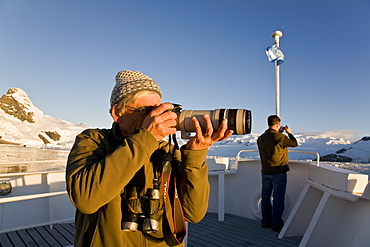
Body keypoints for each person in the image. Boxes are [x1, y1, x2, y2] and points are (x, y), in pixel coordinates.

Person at [66, 70, 233, 247]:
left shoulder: (167, 151)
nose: (155, 118)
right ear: (117, 113)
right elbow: (85, 200)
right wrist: (146, 138)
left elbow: (193, 213)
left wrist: (195, 154)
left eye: (160, 110)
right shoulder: (93, 141)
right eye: (146, 111)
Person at [257, 115, 298, 232]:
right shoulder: (280, 137)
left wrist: (279, 133)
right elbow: (294, 143)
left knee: (265, 197)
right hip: (279, 172)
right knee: (278, 198)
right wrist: (289, 133)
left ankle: (265, 221)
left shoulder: (261, 138)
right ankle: (276, 224)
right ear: (277, 124)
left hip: (265, 172)